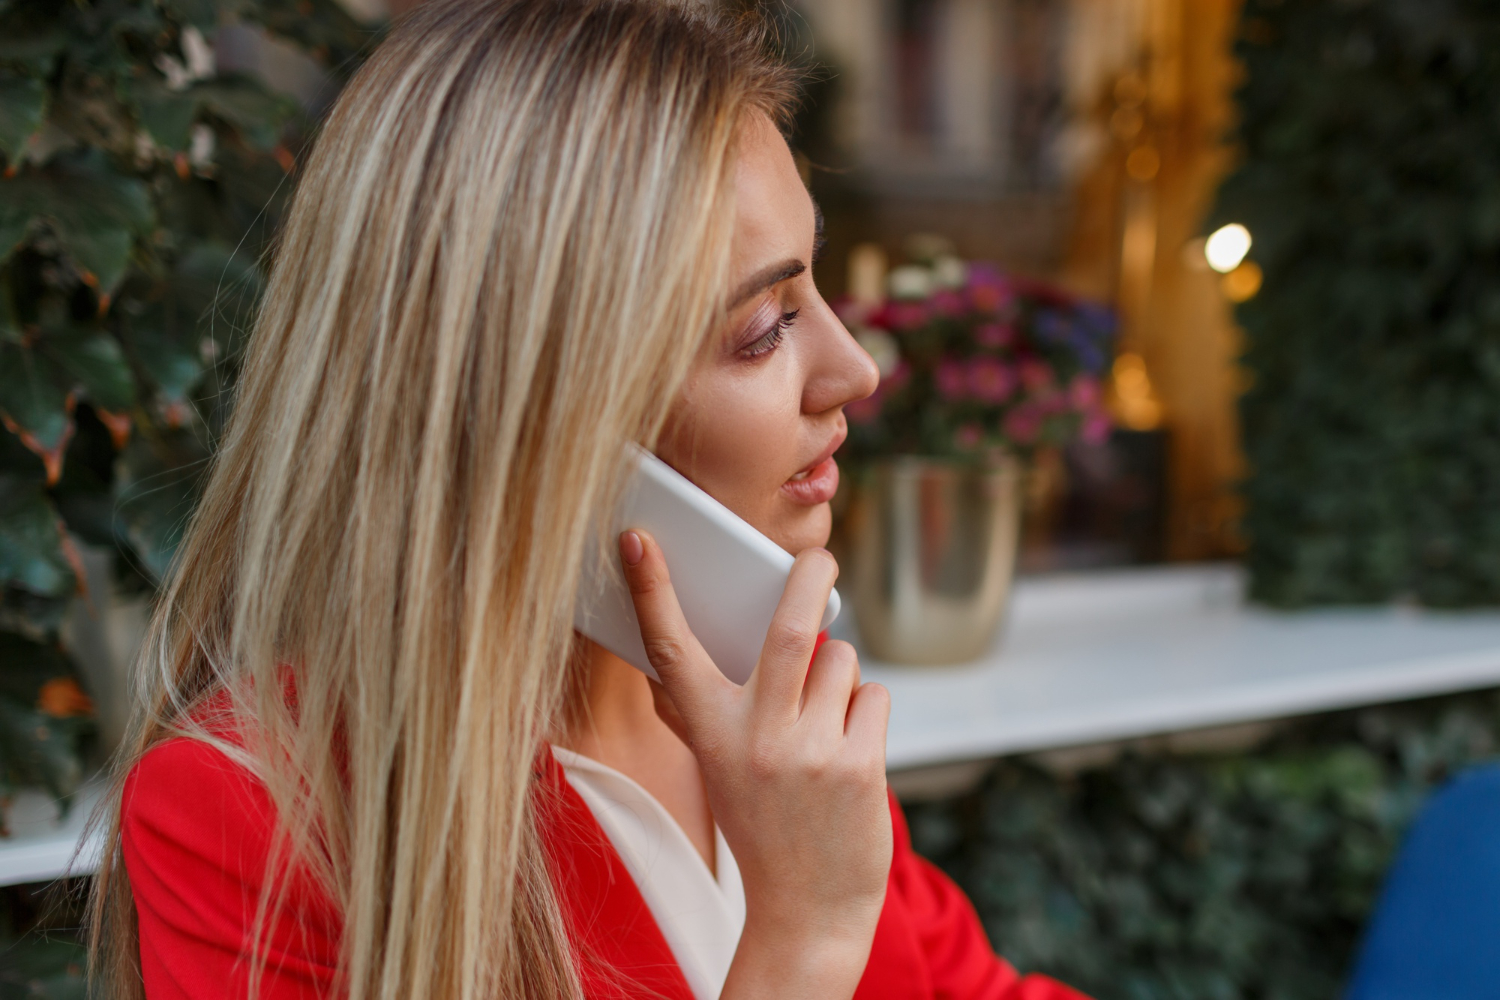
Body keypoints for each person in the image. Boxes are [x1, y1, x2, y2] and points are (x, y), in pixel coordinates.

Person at [89, 2, 1091, 998]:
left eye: (813, 288)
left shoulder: (767, 710)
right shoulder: (252, 817)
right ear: (533, 416)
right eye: (762, 328)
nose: (855, 370)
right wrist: (804, 938)